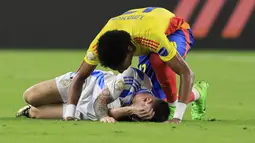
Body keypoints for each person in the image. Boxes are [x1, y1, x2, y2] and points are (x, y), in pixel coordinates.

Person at [66, 7, 209, 123]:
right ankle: (197, 93)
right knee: (154, 102)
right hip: (141, 37)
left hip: (173, 31)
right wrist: (69, 114)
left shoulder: (150, 36)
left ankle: (173, 107)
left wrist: (177, 117)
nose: (120, 71)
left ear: (129, 50)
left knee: (159, 62)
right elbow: (79, 76)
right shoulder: (100, 44)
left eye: (120, 66)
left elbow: (187, 73)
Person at [16, 67, 170, 122]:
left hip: (86, 111)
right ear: (147, 99)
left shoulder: (139, 109)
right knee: (31, 96)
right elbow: (100, 103)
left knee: (35, 113)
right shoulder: (131, 78)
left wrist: (130, 111)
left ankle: (29, 110)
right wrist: (128, 111)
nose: (138, 116)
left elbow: (112, 113)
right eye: (142, 112)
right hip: (86, 86)